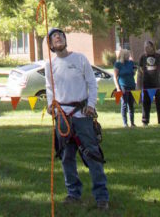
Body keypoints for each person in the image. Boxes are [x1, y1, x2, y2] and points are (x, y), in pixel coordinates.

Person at [45, 28, 109, 210]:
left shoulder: (80, 59)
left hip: (82, 114)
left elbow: (91, 82)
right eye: (54, 38)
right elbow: (50, 87)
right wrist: (51, 105)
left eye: (60, 36)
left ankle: (101, 196)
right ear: (51, 45)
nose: (58, 38)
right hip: (63, 117)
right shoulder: (50, 64)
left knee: (93, 155)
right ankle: (73, 193)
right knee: (66, 156)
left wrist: (91, 105)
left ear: (65, 40)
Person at [137, 39, 160, 126]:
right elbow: (141, 69)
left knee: (159, 103)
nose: (146, 48)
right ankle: (145, 121)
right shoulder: (142, 57)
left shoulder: (158, 56)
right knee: (146, 103)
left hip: (157, 83)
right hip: (146, 83)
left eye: (147, 46)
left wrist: (155, 73)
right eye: (144, 47)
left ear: (152, 47)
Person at [113, 48, 137, 128]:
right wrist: (118, 88)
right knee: (124, 105)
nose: (128, 56)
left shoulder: (130, 63)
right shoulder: (118, 64)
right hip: (123, 86)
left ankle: (132, 123)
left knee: (131, 105)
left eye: (129, 54)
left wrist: (134, 71)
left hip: (131, 85)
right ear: (123, 55)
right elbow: (115, 77)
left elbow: (133, 72)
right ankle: (125, 123)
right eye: (127, 54)